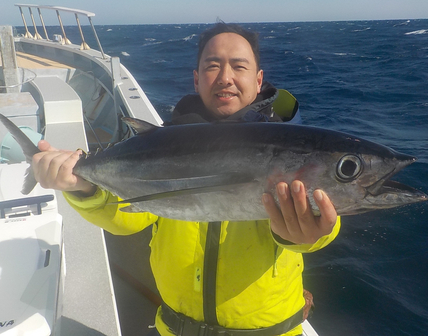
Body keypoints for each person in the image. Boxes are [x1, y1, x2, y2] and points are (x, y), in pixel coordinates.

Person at [32, 22, 340, 336]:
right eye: (212, 66)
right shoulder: (164, 141)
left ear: (258, 80)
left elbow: (324, 215)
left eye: (239, 66)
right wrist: (83, 186)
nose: (225, 78)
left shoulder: (294, 147)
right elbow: (126, 216)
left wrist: (310, 233)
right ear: (196, 79)